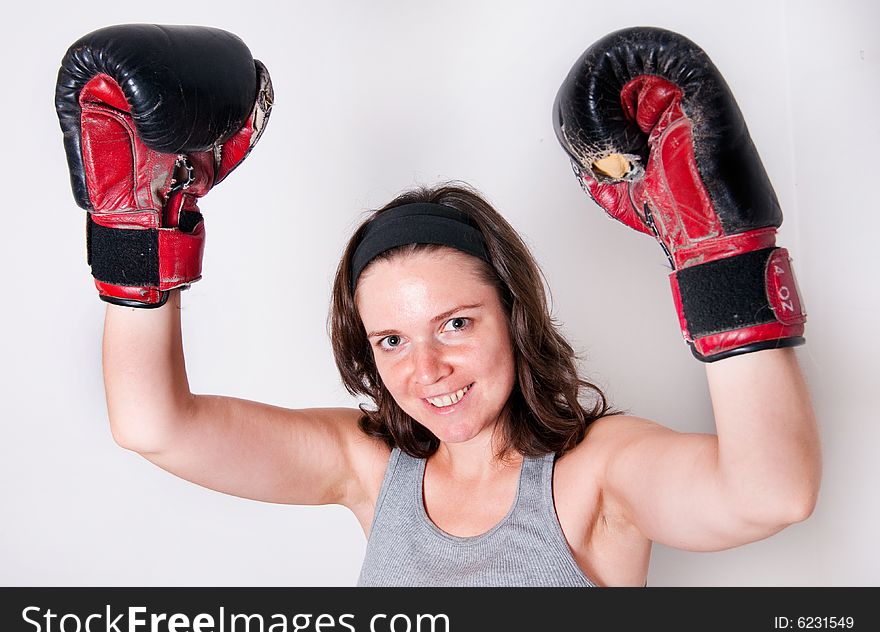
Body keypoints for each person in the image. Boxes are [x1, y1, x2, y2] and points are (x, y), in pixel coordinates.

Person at [56, 24, 821, 587]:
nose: (426, 369)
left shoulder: (597, 473)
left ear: (513, 314)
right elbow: (152, 423)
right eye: (389, 339)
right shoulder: (369, 466)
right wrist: (136, 233)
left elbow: (771, 491)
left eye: (455, 323)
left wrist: (721, 256)